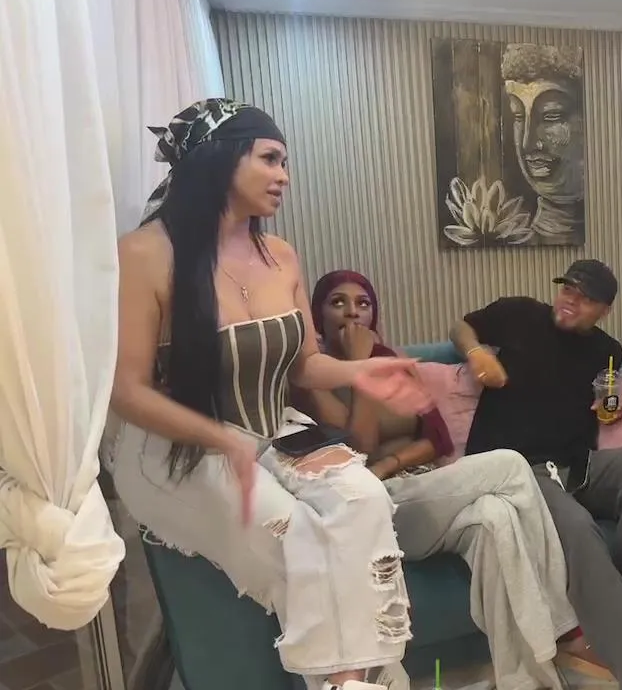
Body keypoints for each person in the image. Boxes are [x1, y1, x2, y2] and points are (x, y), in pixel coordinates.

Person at [106, 99, 433, 690]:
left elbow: (305, 364)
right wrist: (219, 437)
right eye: (270, 159)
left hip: (270, 430)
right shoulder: (144, 253)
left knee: (363, 498)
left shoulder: (280, 254)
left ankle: (350, 681)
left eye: (284, 162)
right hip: (177, 445)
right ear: (220, 159)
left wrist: (360, 373)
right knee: (298, 535)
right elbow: (125, 392)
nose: (284, 175)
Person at [295, 269, 598, 690]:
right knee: (510, 466)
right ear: (318, 313)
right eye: (338, 302)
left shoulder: (391, 360)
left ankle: (526, 679)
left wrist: (390, 460)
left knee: (496, 517)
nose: (352, 313)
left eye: (363, 303)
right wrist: (361, 371)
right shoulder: (310, 379)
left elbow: (435, 438)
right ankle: (564, 625)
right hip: (376, 509)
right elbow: (359, 448)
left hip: (422, 489)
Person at [450, 260, 622, 690]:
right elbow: (460, 327)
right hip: (515, 470)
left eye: (585, 298)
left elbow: (603, 401)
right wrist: (476, 353)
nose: (571, 301)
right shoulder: (518, 313)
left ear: (604, 310)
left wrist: (608, 408)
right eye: (568, 289)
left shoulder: (608, 350)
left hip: (576, 464)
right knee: (579, 527)